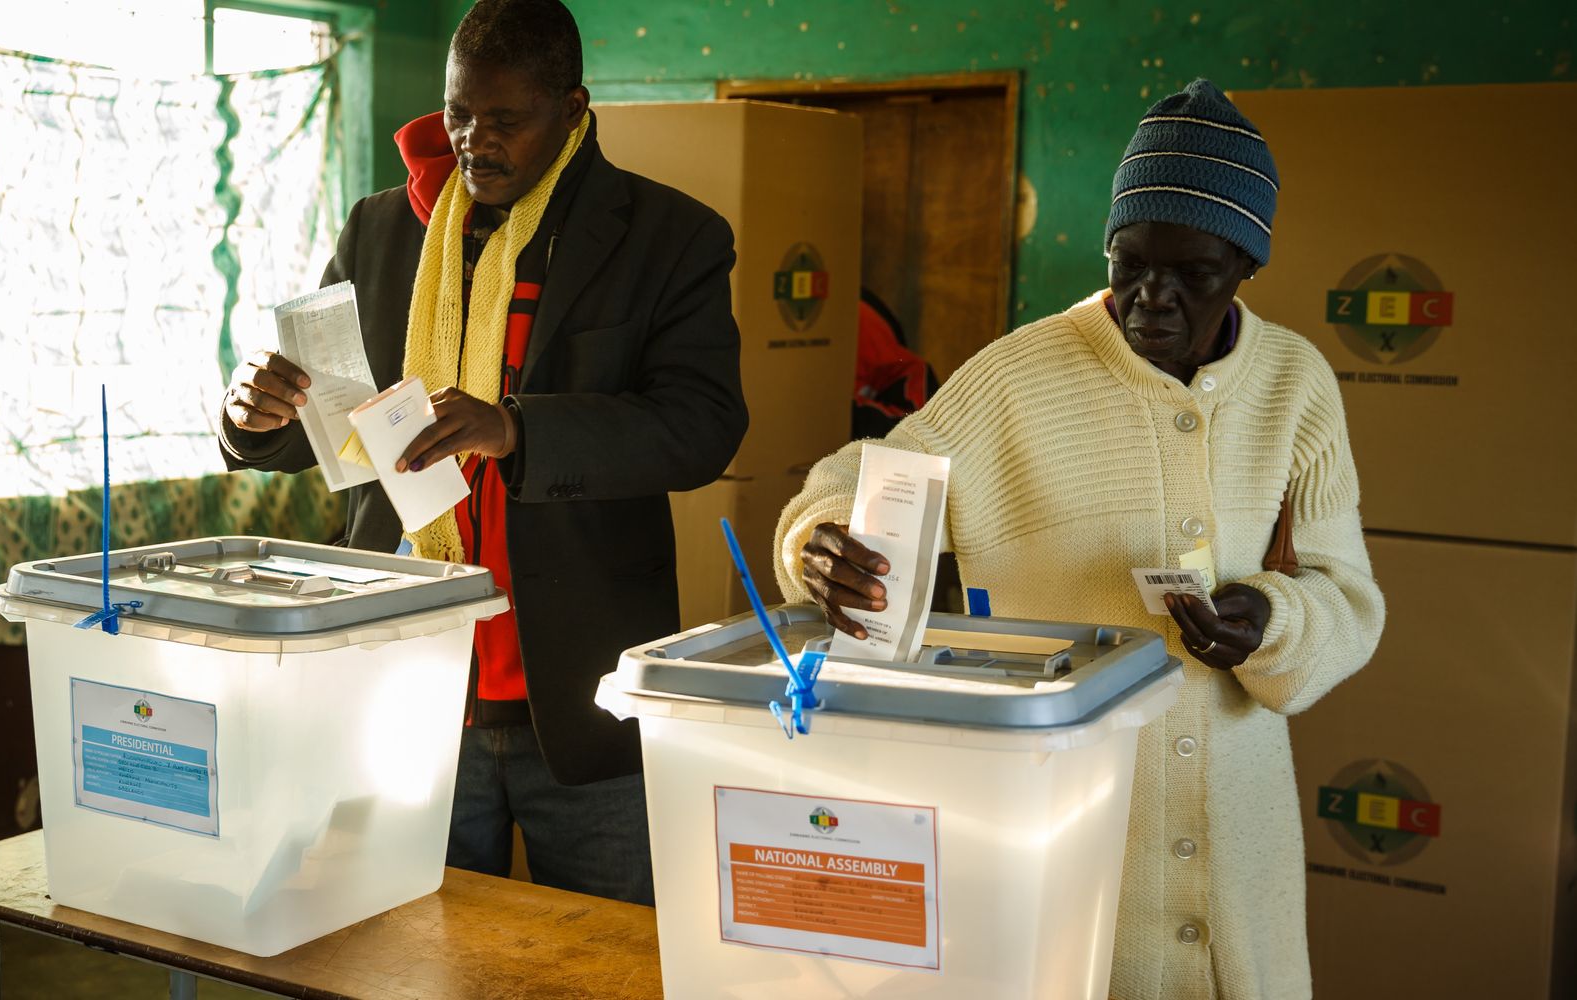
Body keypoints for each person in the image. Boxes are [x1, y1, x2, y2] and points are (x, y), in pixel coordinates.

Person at [775, 79, 1384, 999]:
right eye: (1129, 262)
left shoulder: (1295, 385)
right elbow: (864, 478)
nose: (1152, 298)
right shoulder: (1018, 375)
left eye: (1191, 274)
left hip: (1239, 819)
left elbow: (1345, 593)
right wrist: (819, 538)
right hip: (1069, 812)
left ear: (1247, 267)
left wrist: (1271, 618)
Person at [216, 0, 745, 906]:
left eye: (506, 120)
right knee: (405, 950)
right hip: (406, 683)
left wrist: (516, 428)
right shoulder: (383, 230)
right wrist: (253, 420)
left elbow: (702, 426)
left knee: (603, 959)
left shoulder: (668, 237)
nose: (473, 141)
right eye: (460, 113)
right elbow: (327, 423)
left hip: (579, 693)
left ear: (574, 110)